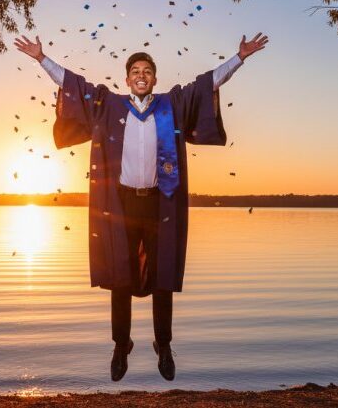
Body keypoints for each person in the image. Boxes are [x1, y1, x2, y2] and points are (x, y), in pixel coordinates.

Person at [14, 33, 267, 382]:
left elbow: (207, 82)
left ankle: (163, 345)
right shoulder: (110, 105)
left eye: (147, 70)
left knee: (162, 276)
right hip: (122, 204)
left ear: (155, 78)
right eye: (135, 70)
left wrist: (239, 57)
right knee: (121, 276)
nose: (141, 74)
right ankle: (121, 345)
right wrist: (42, 59)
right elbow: (74, 84)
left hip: (160, 203)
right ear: (127, 78)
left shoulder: (171, 104)